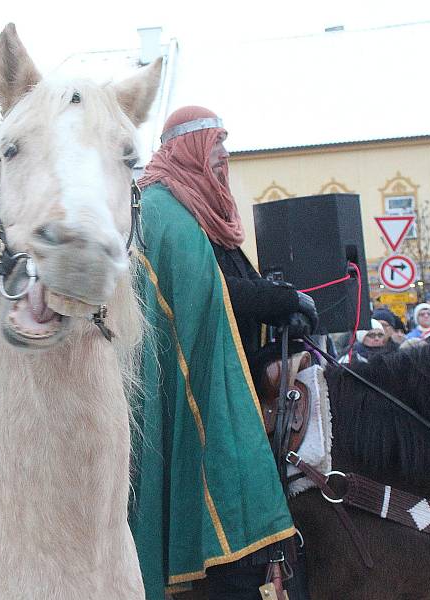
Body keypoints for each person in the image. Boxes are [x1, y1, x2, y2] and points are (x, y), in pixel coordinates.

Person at [130, 106, 314, 600]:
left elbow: (233, 283)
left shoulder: (203, 208)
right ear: (187, 149)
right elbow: (202, 290)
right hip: (200, 378)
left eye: (225, 145)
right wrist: (278, 301)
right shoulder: (161, 208)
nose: (224, 156)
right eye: (215, 145)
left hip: (239, 361)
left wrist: (283, 304)